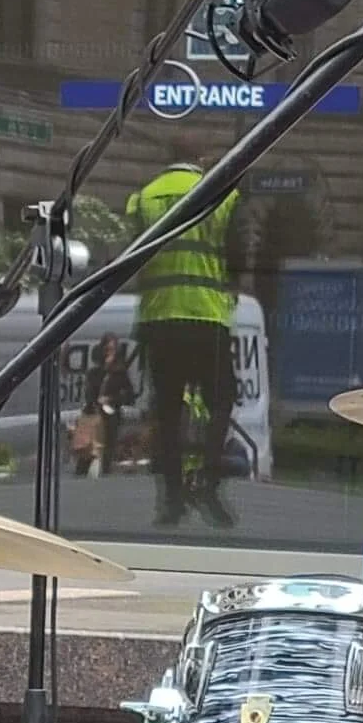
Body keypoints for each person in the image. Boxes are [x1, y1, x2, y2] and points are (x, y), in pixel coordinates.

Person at [127, 137, 245, 528]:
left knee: (168, 413)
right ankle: (208, 482)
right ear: (199, 158)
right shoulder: (221, 195)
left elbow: (131, 259)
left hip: (160, 319)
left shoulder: (144, 197)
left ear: (168, 157)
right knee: (222, 400)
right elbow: (239, 256)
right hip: (207, 319)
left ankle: (172, 499)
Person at [77, 332, 137, 476]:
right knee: (87, 450)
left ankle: (104, 474)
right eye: (106, 349)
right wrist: (94, 401)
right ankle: (81, 475)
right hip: (93, 415)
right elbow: (88, 393)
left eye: (112, 350)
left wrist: (111, 399)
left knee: (107, 450)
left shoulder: (120, 374)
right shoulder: (94, 373)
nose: (109, 353)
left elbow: (129, 396)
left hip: (111, 416)